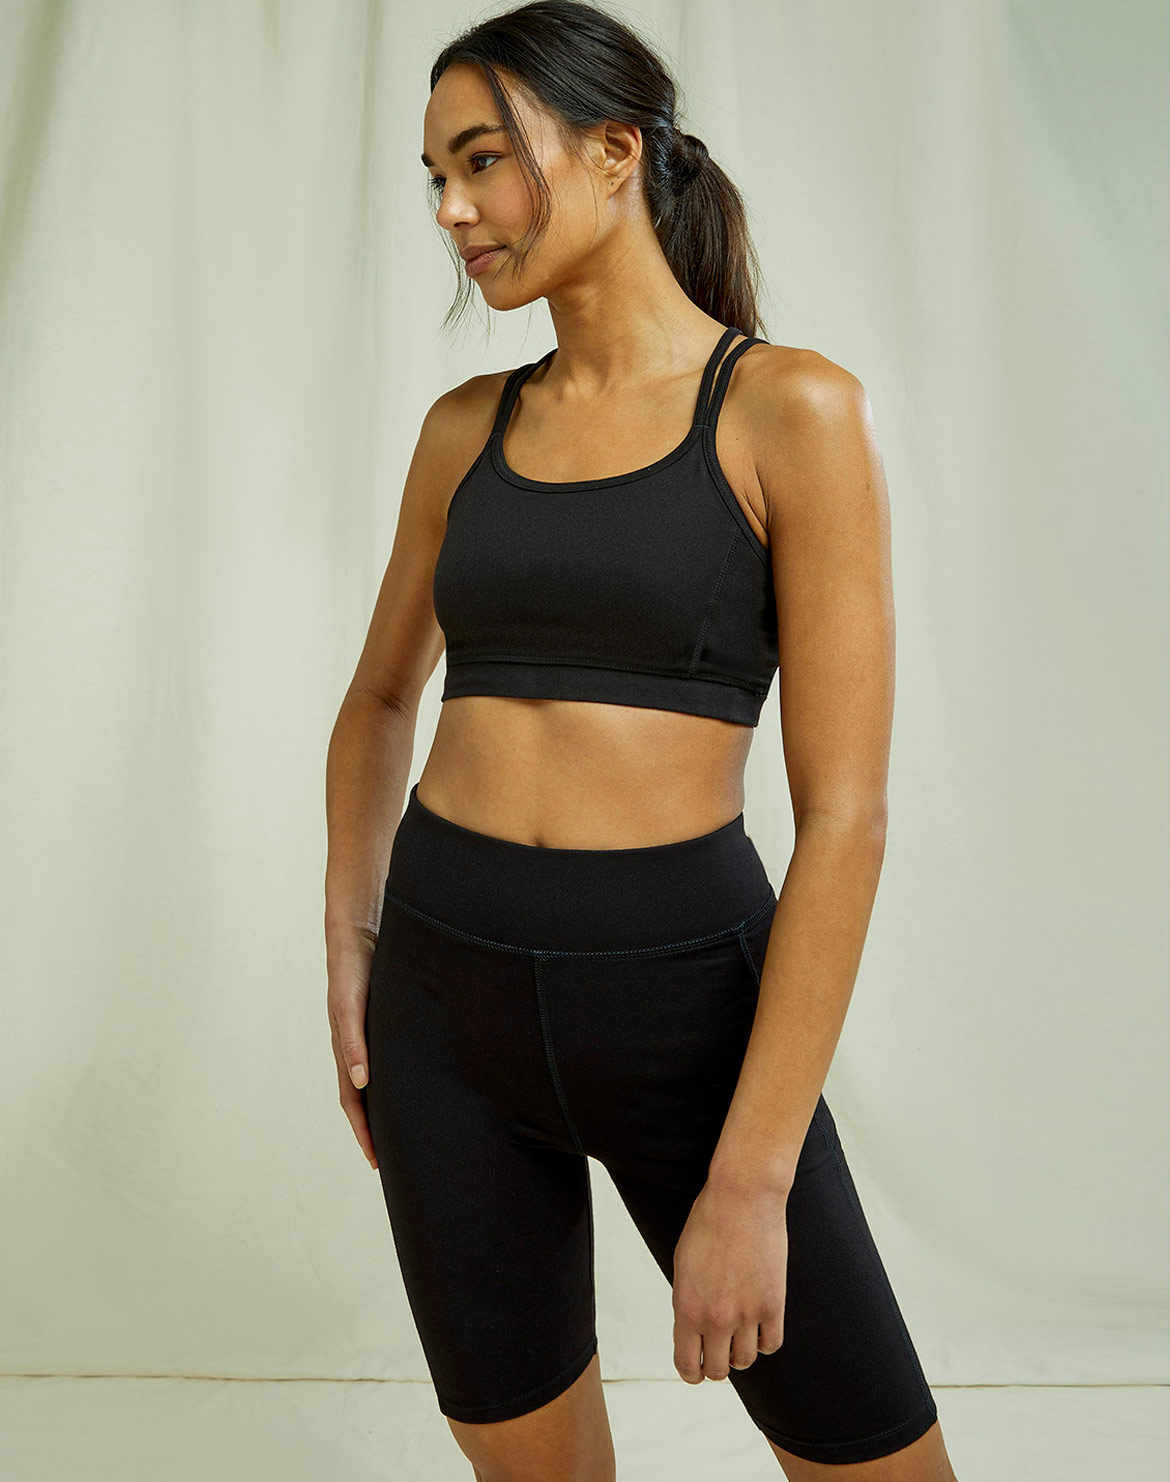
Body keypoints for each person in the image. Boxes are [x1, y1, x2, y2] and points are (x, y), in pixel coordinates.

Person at [324, 3, 960, 1478]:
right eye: (434, 177)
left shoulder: (790, 411)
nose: (452, 210)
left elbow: (847, 816)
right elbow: (377, 704)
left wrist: (753, 1178)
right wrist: (353, 946)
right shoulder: (464, 428)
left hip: (691, 1021)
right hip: (441, 1014)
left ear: (615, 153)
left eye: (483, 160)